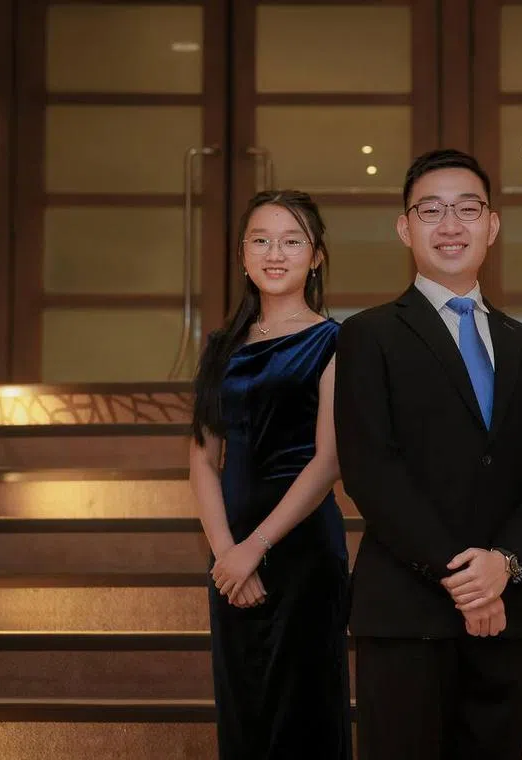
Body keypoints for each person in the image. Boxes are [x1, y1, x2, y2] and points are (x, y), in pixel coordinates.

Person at [334, 149, 522, 760]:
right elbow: (371, 470)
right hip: (406, 608)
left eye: (467, 210)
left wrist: (507, 564)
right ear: (405, 227)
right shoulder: (367, 335)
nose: (451, 225)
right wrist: (466, 580)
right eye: (432, 210)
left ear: (492, 226)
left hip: (511, 610)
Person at [188, 190, 350, 759]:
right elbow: (204, 459)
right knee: (245, 713)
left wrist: (255, 548)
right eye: (261, 240)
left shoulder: (335, 341)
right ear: (242, 255)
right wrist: (226, 553)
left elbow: (327, 461)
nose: (274, 253)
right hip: (229, 554)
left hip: (301, 550)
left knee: (303, 716)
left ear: (317, 256)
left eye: (292, 240)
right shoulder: (220, 346)